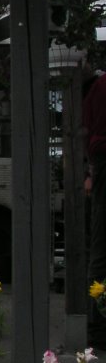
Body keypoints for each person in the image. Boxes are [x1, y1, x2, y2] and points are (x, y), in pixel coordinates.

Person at [83, 69, 106, 346]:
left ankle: (97, 324)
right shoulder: (101, 86)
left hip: (99, 162)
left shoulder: (97, 87)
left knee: (99, 246)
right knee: (99, 248)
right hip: (101, 161)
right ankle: (98, 326)